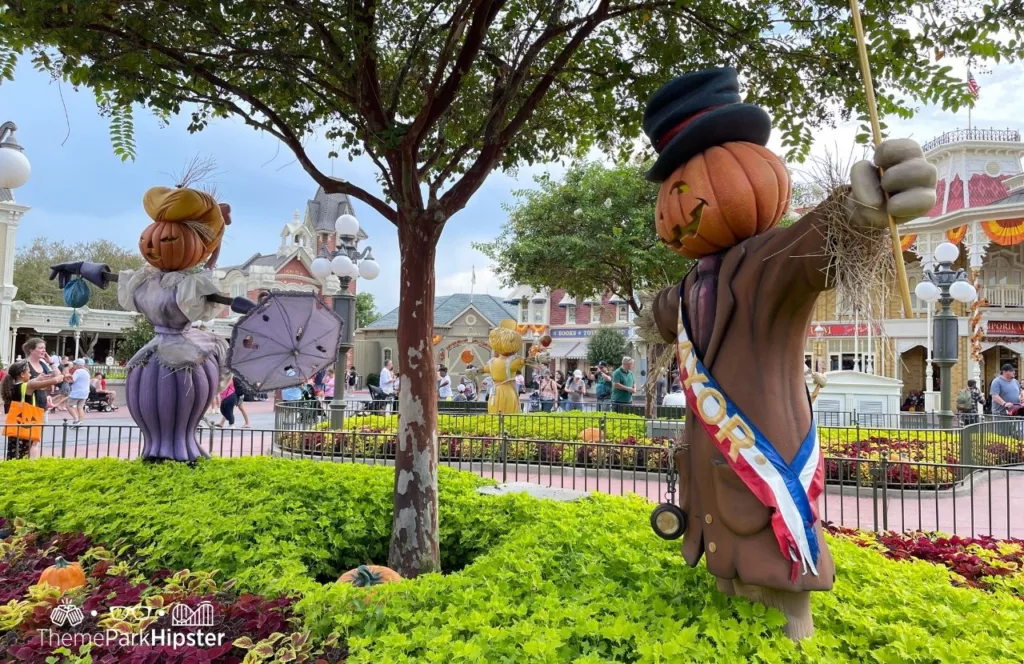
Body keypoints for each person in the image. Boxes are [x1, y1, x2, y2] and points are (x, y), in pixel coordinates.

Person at [1, 361, 52, 459]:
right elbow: (48, 382)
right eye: (28, 372)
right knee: (24, 453)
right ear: (22, 374)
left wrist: (36, 379)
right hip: (25, 424)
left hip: (15, 425)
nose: (30, 374)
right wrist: (58, 377)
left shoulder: (12, 387)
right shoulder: (25, 386)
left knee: (14, 455)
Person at [23, 339, 64, 422]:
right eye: (40, 348)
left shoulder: (42, 364)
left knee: (39, 433)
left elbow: (59, 377)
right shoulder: (24, 364)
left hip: (42, 404)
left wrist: (51, 362)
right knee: (28, 433)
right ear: (31, 350)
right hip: (29, 404)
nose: (44, 350)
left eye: (44, 348)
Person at [66, 359, 91, 427]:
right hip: (85, 392)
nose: (74, 365)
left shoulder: (78, 371)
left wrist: (67, 378)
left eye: (75, 364)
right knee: (80, 407)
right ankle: (80, 422)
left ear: (77, 365)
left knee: (68, 405)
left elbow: (72, 380)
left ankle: (76, 420)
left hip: (77, 392)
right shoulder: (87, 371)